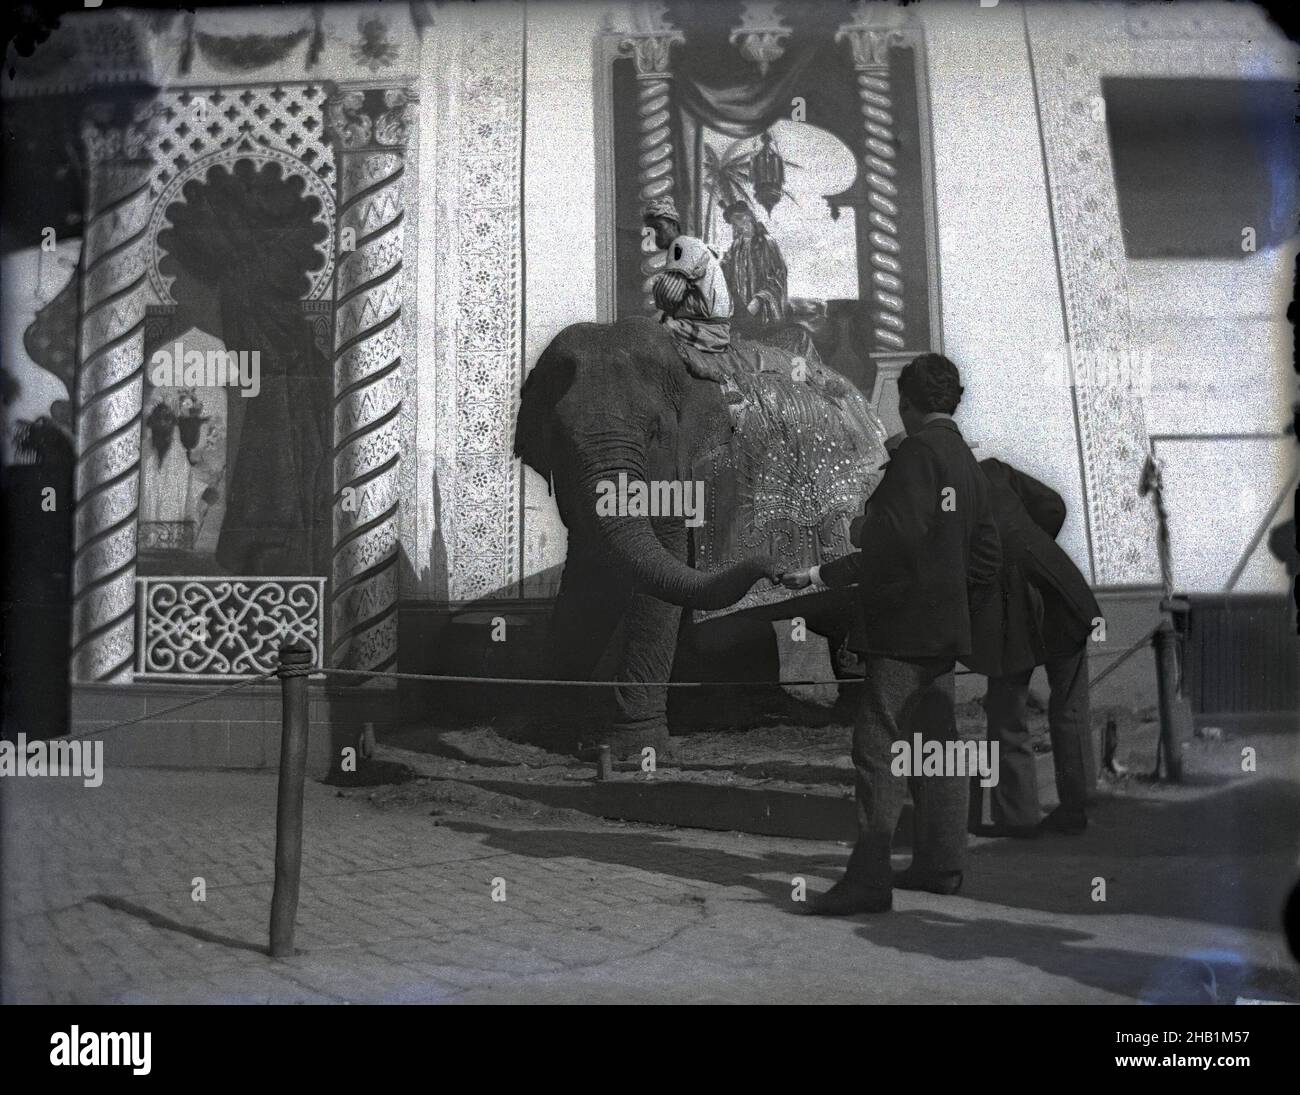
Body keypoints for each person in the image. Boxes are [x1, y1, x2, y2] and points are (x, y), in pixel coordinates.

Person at [782, 354, 1001, 914]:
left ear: (907, 402)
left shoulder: (919, 454)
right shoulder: (967, 462)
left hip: (902, 629)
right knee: (938, 747)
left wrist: (859, 527)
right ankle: (941, 865)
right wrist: (952, 606)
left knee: (877, 748)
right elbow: (987, 556)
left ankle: (868, 881)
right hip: (944, 633)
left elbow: (893, 536)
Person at [967, 458, 1101, 836]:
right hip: (1058, 590)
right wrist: (1033, 543)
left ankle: (1018, 816)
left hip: (1009, 607)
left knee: (1007, 708)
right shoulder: (993, 471)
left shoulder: (941, 492)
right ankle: (1076, 807)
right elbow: (1053, 505)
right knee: (1070, 706)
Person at [644, 197, 733, 354]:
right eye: (650, 230)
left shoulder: (681, 244)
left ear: (673, 225)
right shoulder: (692, 244)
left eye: (659, 227)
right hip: (710, 326)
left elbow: (669, 295)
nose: (655, 234)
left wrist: (659, 285)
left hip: (707, 330)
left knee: (648, 336)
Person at [720, 200, 788, 331]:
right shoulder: (735, 246)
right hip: (740, 311)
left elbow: (779, 277)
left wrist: (758, 300)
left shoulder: (767, 243)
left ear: (750, 216)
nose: (738, 225)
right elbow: (725, 271)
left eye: (740, 218)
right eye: (734, 223)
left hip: (764, 313)